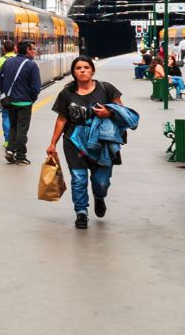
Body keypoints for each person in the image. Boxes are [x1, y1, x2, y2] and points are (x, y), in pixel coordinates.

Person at [46, 56, 127, 230]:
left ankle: (99, 197)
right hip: (74, 141)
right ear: (74, 73)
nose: (82, 70)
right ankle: (81, 212)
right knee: (78, 179)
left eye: (86, 67)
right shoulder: (66, 93)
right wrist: (52, 143)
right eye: (78, 68)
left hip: (102, 142)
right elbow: (61, 119)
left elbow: (123, 111)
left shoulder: (106, 89)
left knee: (101, 182)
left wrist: (109, 113)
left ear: (93, 70)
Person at [0, 40, 41, 165]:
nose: (35, 51)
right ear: (27, 50)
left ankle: (10, 150)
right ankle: (21, 156)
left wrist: (5, 93)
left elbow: (0, 80)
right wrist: (32, 98)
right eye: (33, 48)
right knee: (22, 129)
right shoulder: (32, 65)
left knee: (13, 126)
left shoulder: (8, 62)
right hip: (24, 102)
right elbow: (36, 87)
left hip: (10, 101)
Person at [0, 43, 18, 149]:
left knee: (6, 116)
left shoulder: (0, 61)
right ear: (15, 48)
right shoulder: (20, 60)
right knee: (18, 117)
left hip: (5, 94)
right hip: (19, 94)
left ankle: (7, 140)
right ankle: (16, 139)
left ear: (3, 49)